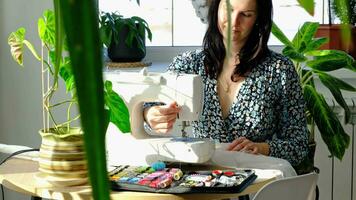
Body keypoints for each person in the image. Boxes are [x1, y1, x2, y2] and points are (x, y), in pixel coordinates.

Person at [143, 0, 308, 167]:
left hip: (257, 181)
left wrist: (261, 148)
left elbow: (299, 145)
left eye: (246, 14)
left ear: (258, 19)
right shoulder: (189, 64)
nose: (234, 21)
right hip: (205, 180)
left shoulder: (279, 70)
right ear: (216, 9)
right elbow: (149, 104)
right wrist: (149, 114)